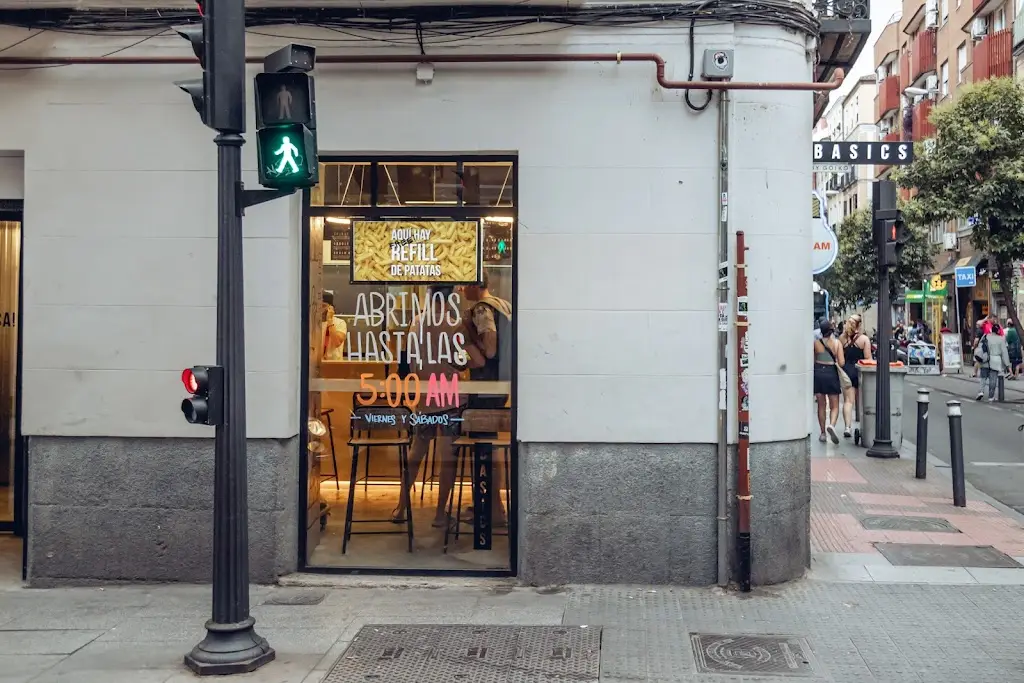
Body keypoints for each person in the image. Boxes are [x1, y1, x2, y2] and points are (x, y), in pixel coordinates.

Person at [392, 285, 465, 527]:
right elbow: (461, 362)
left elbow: (406, 363)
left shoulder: (416, 323)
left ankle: (401, 508)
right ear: (450, 298)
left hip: (423, 400)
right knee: (447, 458)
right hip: (449, 400)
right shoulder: (455, 325)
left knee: (416, 454)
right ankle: (439, 514)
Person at [458, 273, 513, 525]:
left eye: (463, 284)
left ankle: (491, 509)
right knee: (492, 449)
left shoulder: (481, 309)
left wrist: (471, 344)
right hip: (500, 386)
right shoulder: (504, 304)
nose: (460, 290)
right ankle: (493, 505)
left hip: (485, 387)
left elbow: (490, 348)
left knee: (483, 448)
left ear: (474, 285)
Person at [839, 314, 872, 438]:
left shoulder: (842, 339)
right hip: (860, 371)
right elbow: (868, 358)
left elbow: (840, 359)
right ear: (859, 325)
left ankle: (848, 427)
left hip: (846, 372)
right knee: (863, 401)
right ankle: (864, 426)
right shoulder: (864, 339)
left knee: (848, 401)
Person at [814, 319, 845, 444]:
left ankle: (822, 433)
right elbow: (842, 362)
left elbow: (813, 361)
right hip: (832, 372)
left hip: (819, 374)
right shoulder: (837, 344)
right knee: (834, 405)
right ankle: (831, 425)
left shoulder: (816, 343)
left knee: (821, 405)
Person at [977, 322, 1011, 402]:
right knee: (993, 380)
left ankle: (981, 391)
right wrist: (1008, 366)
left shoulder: (985, 336)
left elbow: (980, 347)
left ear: (991, 330)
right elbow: (1004, 353)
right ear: (998, 331)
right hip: (995, 361)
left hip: (985, 360)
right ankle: (991, 396)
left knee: (983, 377)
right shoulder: (1001, 339)